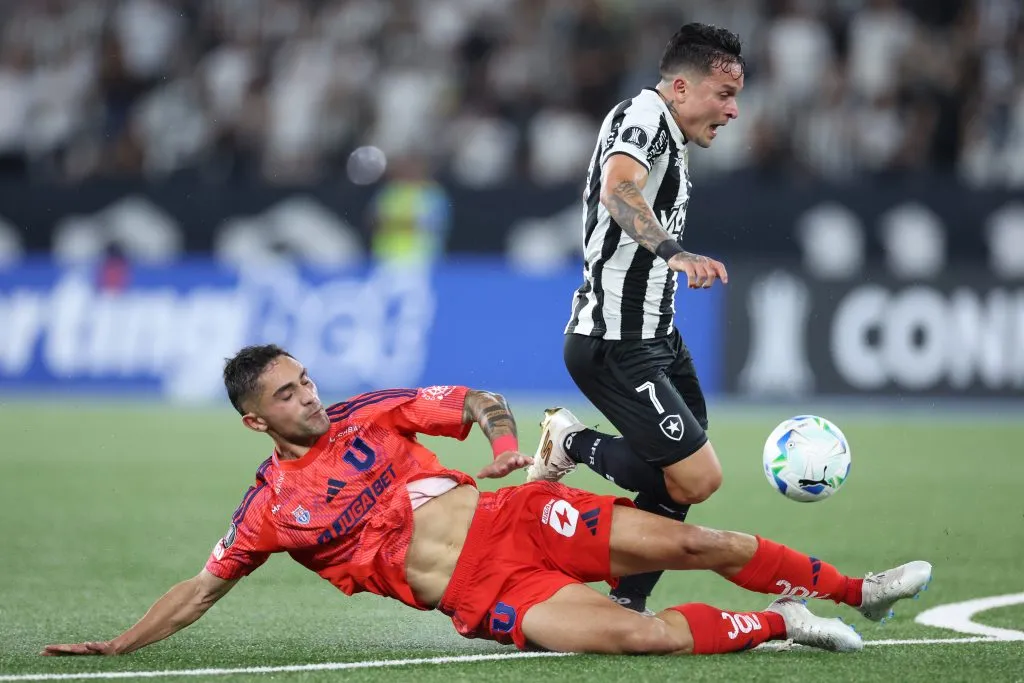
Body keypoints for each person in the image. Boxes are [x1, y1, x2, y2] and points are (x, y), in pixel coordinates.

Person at [42, 345, 931, 657]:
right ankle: (784, 624)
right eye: (286, 394)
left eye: (306, 379)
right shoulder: (269, 509)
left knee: (699, 543)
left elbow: (475, 401)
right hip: (488, 592)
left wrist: (507, 449)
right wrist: (122, 641)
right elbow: (201, 587)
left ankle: (860, 590)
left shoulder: (369, 413)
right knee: (635, 637)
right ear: (253, 420)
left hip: (514, 514)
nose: (309, 396)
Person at [527, 23, 743, 615]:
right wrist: (676, 254)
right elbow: (619, 189)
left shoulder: (669, 131)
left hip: (656, 335)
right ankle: (570, 439)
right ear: (679, 86)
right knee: (697, 477)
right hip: (614, 339)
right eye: (724, 95)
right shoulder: (644, 115)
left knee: (675, 478)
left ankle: (627, 600)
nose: (733, 111)